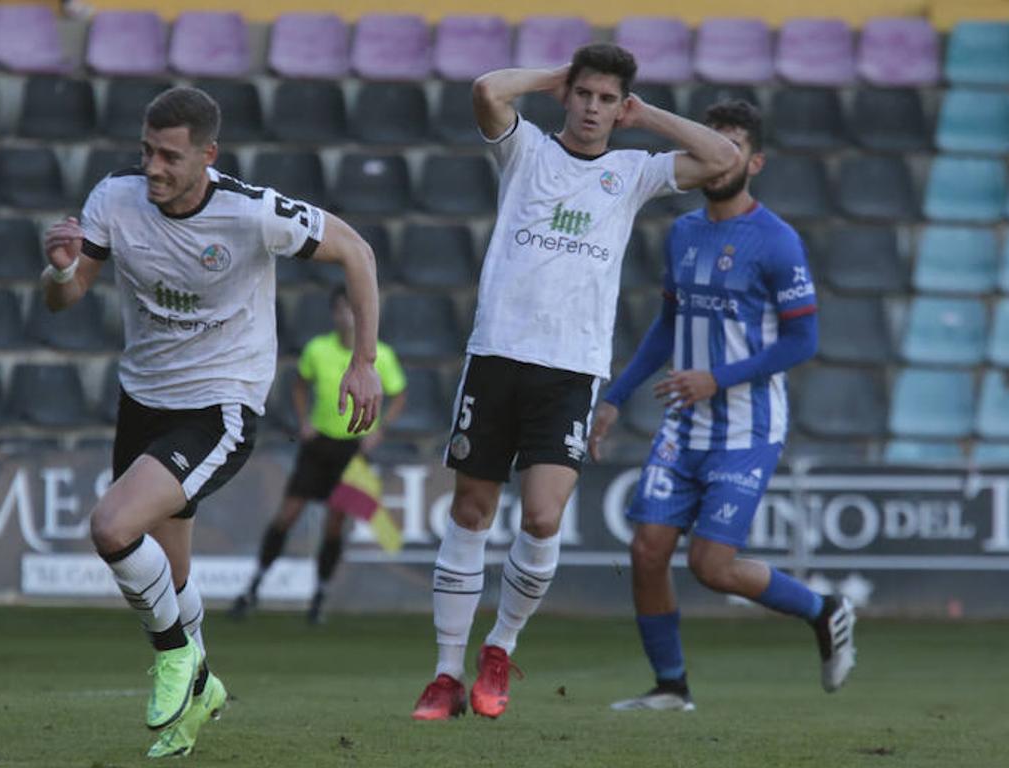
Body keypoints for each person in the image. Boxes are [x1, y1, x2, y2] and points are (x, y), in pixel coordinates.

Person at [41, 86, 382, 757]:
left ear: (207, 156)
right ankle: (203, 694)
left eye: (170, 156)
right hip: (142, 400)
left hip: (221, 404)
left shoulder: (251, 213)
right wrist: (57, 272)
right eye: (147, 151)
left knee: (111, 526)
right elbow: (67, 297)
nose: (154, 168)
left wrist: (363, 361)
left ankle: (179, 659)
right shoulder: (115, 198)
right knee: (168, 574)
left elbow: (358, 252)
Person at [410, 43, 742, 722]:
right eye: (583, 95)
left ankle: (499, 648)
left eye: (606, 99)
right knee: (471, 511)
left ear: (621, 107)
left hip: (570, 367)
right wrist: (551, 78)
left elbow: (723, 160)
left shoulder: (633, 171)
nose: (593, 109)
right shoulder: (526, 151)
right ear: (568, 96)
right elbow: (485, 88)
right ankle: (445, 673)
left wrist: (649, 118)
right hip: (498, 354)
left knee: (541, 515)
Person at [587, 99, 856, 712]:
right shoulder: (683, 232)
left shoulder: (777, 242)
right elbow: (668, 325)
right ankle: (671, 687)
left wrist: (719, 377)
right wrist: (616, 398)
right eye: (711, 144)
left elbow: (803, 339)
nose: (719, 158)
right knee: (647, 549)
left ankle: (825, 610)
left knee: (712, 566)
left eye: (733, 147)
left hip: (747, 427)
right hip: (685, 424)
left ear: (754, 161)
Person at [230, 285, 407, 624]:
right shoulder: (317, 349)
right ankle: (254, 585)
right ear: (334, 314)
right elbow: (299, 383)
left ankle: (320, 594)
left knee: (335, 523)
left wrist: (380, 429)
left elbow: (399, 394)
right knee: (288, 514)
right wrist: (304, 420)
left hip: (355, 449)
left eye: (354, 310)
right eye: (342, 309)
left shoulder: (380, 355)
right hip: (319, 443)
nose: (348, 317)